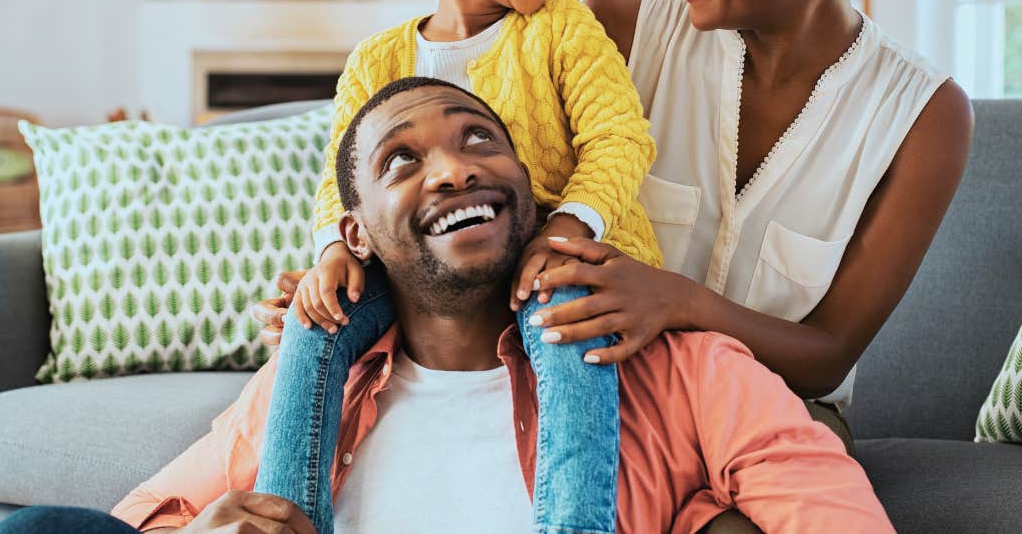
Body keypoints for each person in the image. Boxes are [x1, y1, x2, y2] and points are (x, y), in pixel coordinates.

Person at [90, 77, 889, 534]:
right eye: (403, 159)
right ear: (354, 232)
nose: (451, 170)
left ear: (534, 199)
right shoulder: (308, 386)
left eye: (479, 140)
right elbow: (138, 514)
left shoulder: (687, 369)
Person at [256, 0, 663, 534]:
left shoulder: (563, 27)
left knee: (567, 319)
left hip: (552, 254)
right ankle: (284, 515)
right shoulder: (376, 59)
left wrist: (568, 226)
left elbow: (618, 136)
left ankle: (574, 523)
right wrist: (331, 252)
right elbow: (340, 177)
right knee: (314, 325)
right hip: (428, 274)